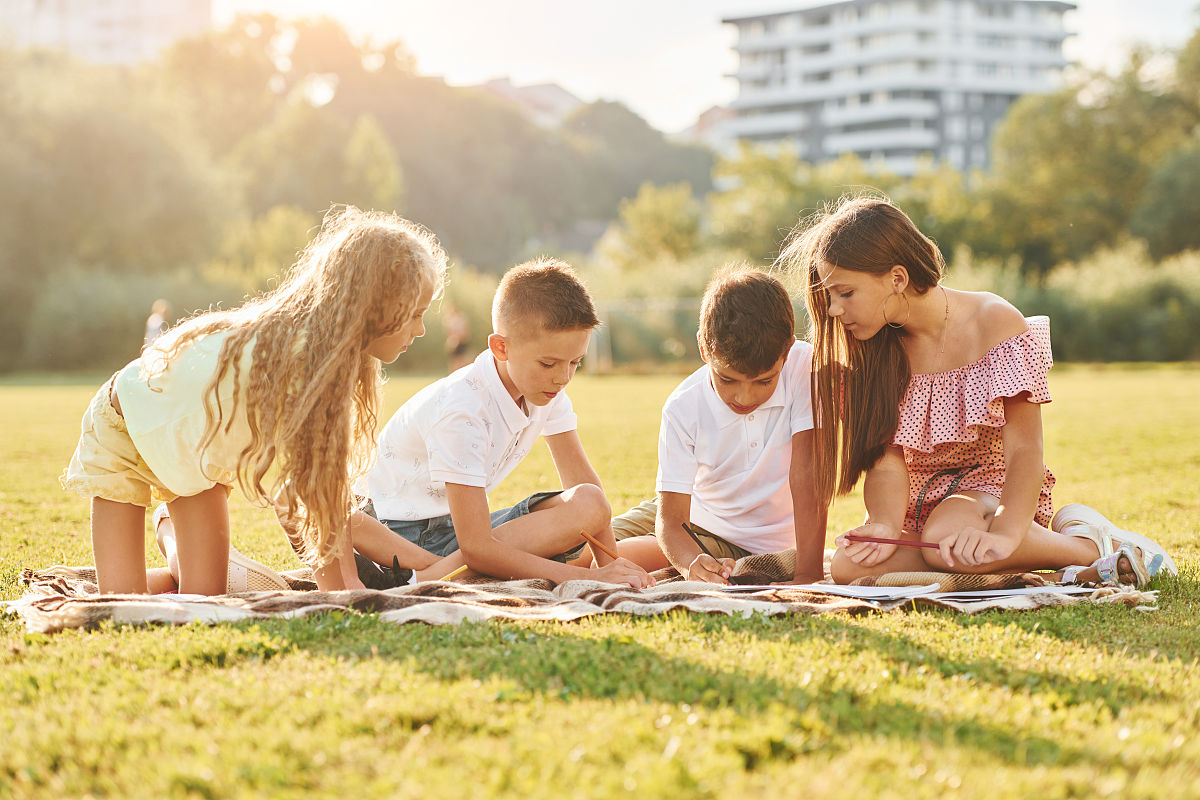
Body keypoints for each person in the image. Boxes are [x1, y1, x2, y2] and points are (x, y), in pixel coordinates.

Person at [782, 194, 1176, 585]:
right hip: (912, 510)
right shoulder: (870, 351)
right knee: (851, 567)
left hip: (991, 499)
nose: (833, 310)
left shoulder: (994, 323)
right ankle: (1056, 568)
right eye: (829, 297)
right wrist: (885, 524)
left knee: (946, 537)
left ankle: (1093, 548)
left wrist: (1005, 532)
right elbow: (887, 461)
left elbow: (1025, 450)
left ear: (897, 278)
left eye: (845, 293)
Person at [60, 207, 447, 595]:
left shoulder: (336, 364)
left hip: (191, 460)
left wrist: (359, 582)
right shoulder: (303, 358)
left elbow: (321, 499)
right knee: (122, 605)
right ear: (373, 307)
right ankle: (169, 531)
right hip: (125, 428)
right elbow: (304, 498)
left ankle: (172, 538)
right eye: (413, 314)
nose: (421, 328)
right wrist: (345, 591)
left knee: (205, 602)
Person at [346, 257, 654, 589]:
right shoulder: (463, 410)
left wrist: (613, 566)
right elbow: (476, 547)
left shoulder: (545, 390)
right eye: (548, 363)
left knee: (590, 502)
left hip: (454, 532)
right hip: (402, 531)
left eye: (574, 363)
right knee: (490, 555)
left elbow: (584, 485)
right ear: (501, 347)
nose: (563, 378)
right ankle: (418, 577)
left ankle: (432, 574)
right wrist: (590, 577)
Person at [610, 266, 827, 584]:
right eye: (727, 379)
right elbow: (671, 519)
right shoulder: (682, 406)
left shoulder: (804, 368)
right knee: (578, 539)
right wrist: (688, 564)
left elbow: (809, 477)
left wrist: (808, 574)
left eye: (764, 381)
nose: (744, 395)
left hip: (739, 541)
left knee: (608, 558)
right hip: (688, 513)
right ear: (702, 348)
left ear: (787, 351)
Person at [443, 301, 471, 372]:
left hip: (462, 341)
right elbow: (449, 332)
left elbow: (465, 330)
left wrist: (461, 338)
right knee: (454, 360)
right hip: (454, 341)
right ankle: (454, 374)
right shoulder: (448, 319)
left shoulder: (462, 317)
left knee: (463, 359)